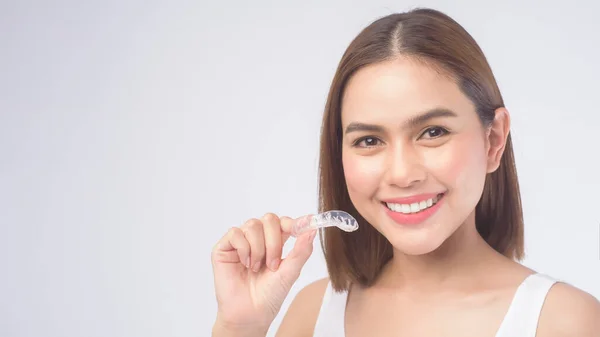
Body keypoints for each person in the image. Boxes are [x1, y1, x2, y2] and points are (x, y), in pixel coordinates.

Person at [210, 7, 600, 337]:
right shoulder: (311, 314)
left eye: (433, 132)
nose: (401, 173)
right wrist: (238, 326)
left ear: (493, 140)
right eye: (369, 140)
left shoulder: (564, 322)